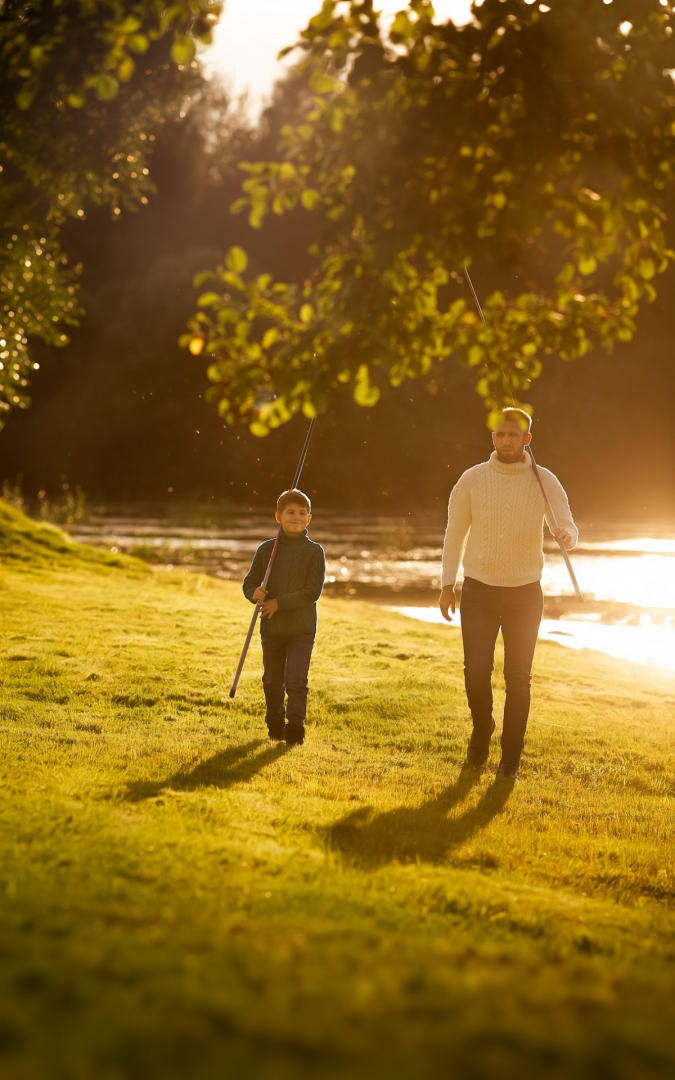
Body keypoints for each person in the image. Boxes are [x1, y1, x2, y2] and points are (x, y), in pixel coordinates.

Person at [439, 408, 578, 780]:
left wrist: (566, 535)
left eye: (512, 436)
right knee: (475, 672)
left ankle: (510, 760)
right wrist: (446, 584)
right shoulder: (471, 479)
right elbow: (455, 534)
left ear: (526, 440)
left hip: (525, 594)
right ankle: (482, 728)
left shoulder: (544, 480)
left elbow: (566, 524)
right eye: (499, 435)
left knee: (518, 678)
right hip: (479, 591)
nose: (504, 442)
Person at [243, 489, 325, 746]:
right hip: (272, 628)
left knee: (296, 680)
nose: (297, 517)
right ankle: (275, 726)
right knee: (272, 680)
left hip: (302, 628)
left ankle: (295, 732)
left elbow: (312, 592)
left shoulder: (314, 552)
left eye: (302, 513)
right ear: (278, 516)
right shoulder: (267, 549)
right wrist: (253, 593)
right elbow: (249, 583)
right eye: (290, 512)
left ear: (309, 519)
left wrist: (279, 602)